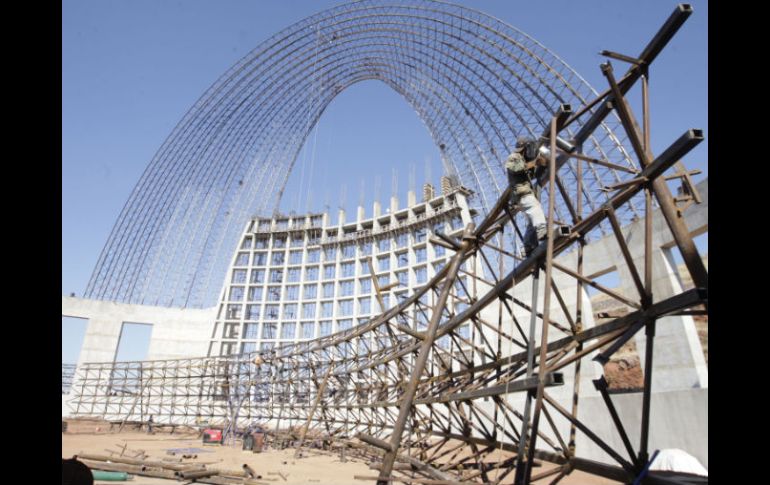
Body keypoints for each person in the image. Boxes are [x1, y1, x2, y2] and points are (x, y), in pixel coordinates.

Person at [505, 137, 548, 257]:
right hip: (521, 193)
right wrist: (534, 162)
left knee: (531, 220)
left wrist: (542, 165)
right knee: (535, 208)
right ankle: (542, 230)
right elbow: (515, 168)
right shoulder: (514, 157)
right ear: (526, 148)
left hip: (523, 193)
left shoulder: (523, 159)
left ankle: (528, 245)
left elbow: (532, 174)